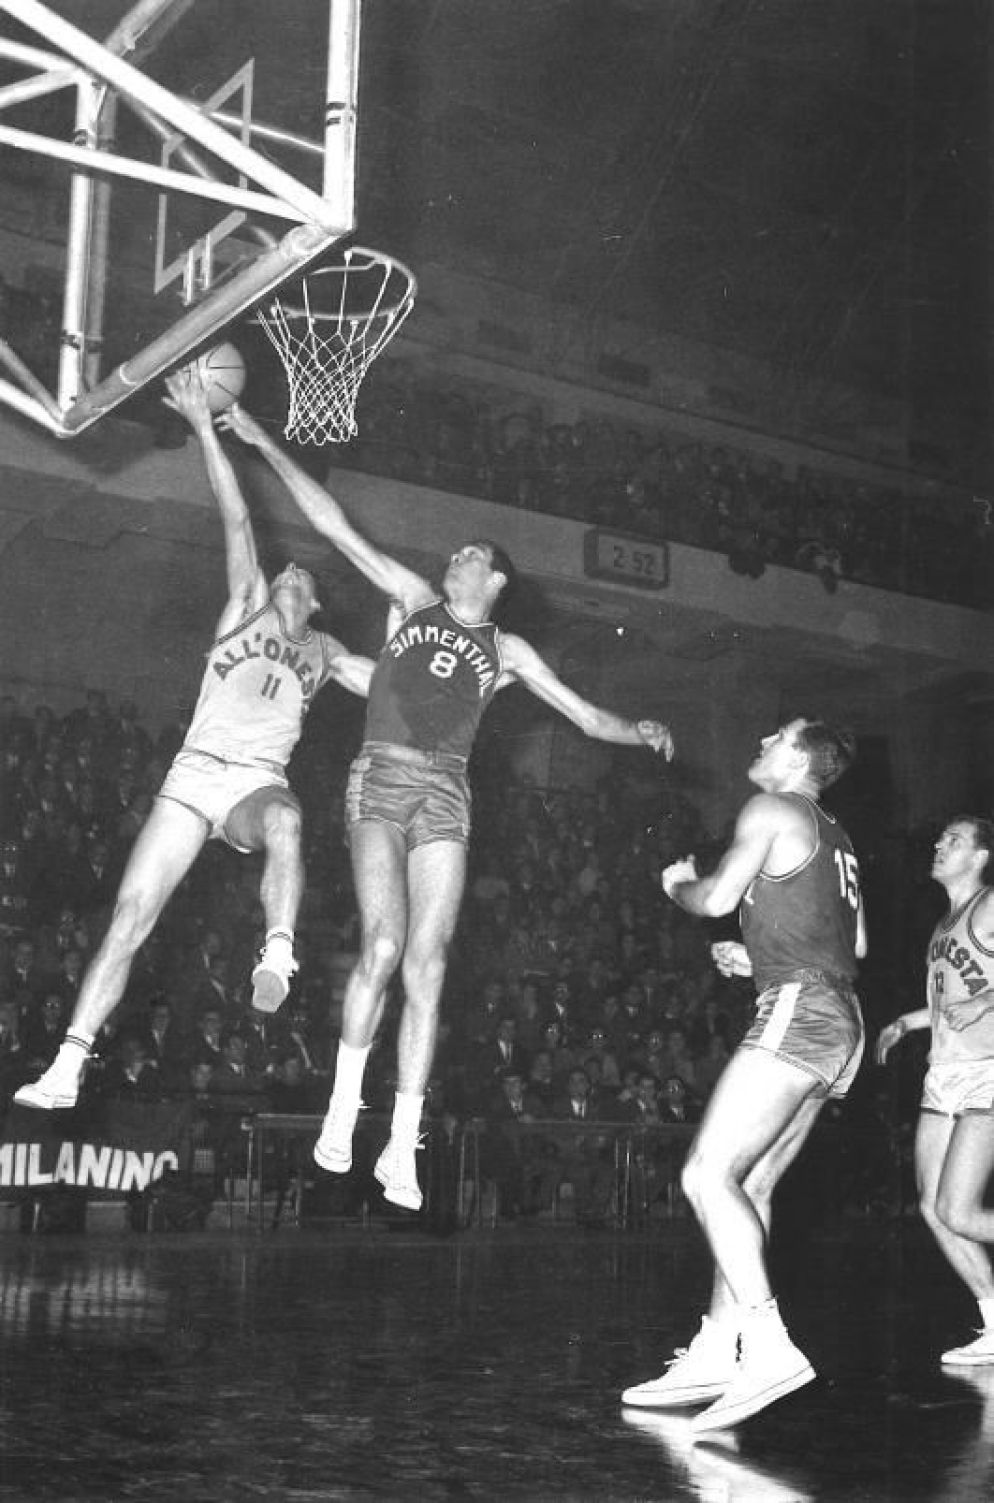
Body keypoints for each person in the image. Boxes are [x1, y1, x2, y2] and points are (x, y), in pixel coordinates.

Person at [218, 401, 674, 1211]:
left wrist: (638, 729)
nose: (456, 555)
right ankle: (343, 1107)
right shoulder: (415, 598)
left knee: (429, 963)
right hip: (382, 777)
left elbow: (583, 717)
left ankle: (402, 1144)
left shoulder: (508, 649)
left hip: (448, 790)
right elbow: (336, 528)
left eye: (472, 554)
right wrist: (260, 441)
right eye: (457, 551)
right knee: (383, 944)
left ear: (495, 581)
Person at [13, 368, 373, 1113]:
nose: (290, 572)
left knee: (287, 820)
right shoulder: (246, 607)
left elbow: (395, 686)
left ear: (315, 602)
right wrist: (206, 427)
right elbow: (237, 521)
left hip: (253, 783)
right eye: (285, 570)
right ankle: (68, 1064)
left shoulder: (329, 653)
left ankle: (278, 952)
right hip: (193, 776)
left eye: (302, 576)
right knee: (128, 919)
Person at [622, 717, 866, 1432]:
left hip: (801, 1008)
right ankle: (715, 1350)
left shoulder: (771, 807)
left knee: (706, 1175)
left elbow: (717, 900)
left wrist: (680, 885)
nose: (759, 742)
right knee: (750, 1185)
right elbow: (853, 942)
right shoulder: (837, 836)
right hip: (838, 1017)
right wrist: (759, 960)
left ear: (798, 759)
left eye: (774, 737)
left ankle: (767, 1345)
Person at [876, 816, 994, 1365]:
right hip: (943, 1073)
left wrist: (986, 1004)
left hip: (987, 1070)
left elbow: (980, 1000)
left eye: (955, 840)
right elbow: (950, 1004)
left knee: (959, 1212)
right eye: (941, 838)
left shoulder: (990, 906)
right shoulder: (944, 926)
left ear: (980, 856)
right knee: (931, 1208)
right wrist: (906, 1022)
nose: (939, 844)